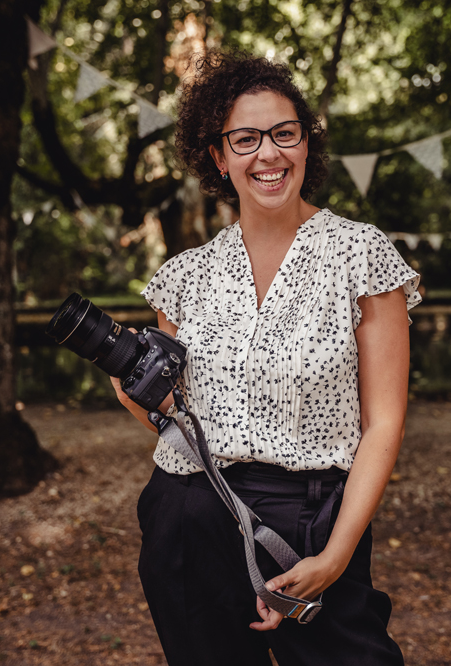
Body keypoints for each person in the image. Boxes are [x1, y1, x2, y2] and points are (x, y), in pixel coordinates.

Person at [111, 51, 421, 666]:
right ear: (218, 157)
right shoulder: (184, 278)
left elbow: (383, 423)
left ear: (306, 144)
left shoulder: (363, 256)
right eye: (245, 139)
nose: (269, 154)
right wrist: (139, 403)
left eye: (284, 134)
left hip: (315, 511)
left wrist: (334, 556)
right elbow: (176, 423)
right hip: (190, 511)